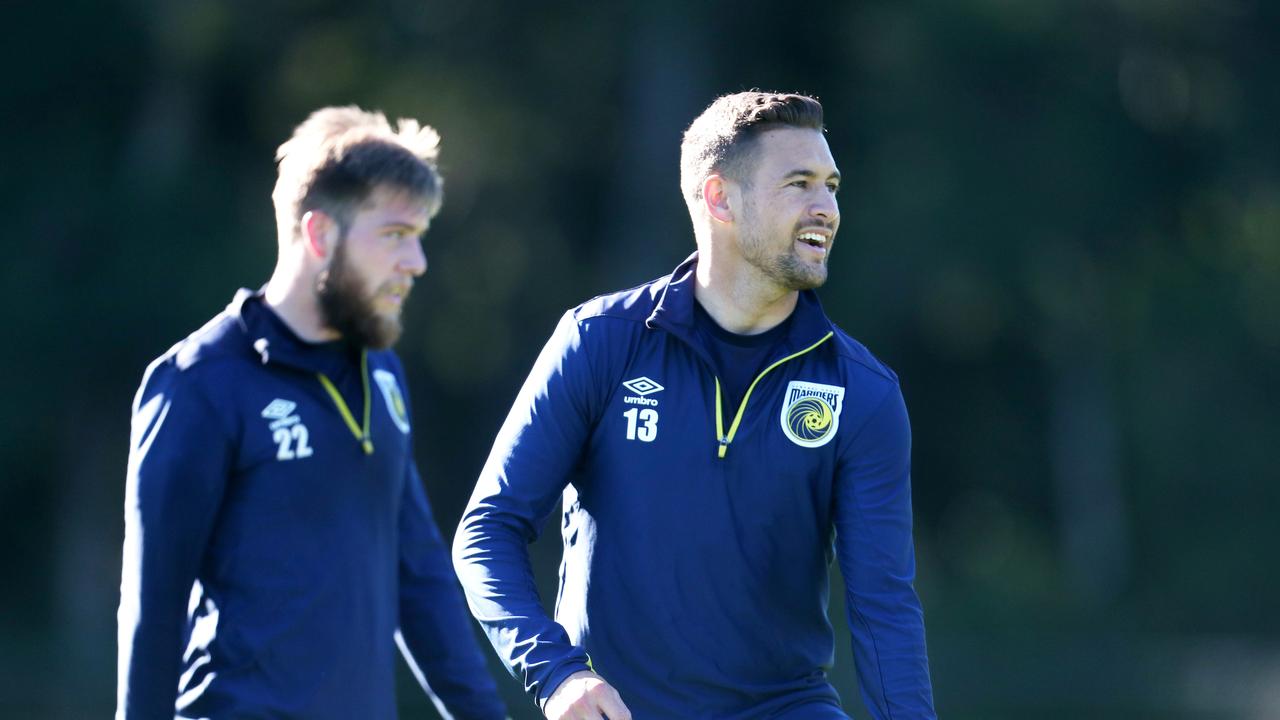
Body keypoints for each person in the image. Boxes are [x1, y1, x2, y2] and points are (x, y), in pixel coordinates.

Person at [452, 91, 936, 719]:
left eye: (832, 186)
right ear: (719, 199)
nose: (828, 208)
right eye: (800, 184)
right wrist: (557, 675)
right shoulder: (601, 342)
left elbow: (884, 606)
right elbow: (487, 531)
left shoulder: (863, 392)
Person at [117, 106, 508, 720]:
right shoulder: (199, 382)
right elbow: (153, 608)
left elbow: (420, 579)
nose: (417, 263)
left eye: (420, 237)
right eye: (395, 235)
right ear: (321, 235)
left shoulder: (382, 373)